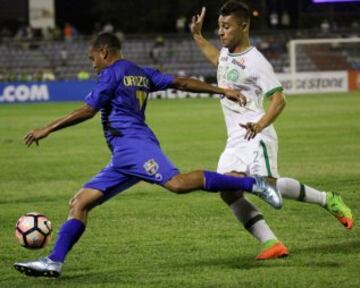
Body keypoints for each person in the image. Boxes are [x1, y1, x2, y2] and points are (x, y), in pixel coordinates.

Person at [14, 32, 282, 278]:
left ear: (104, 52)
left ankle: (252, 184)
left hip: (134, 146)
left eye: (92, 58)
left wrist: (46, 129)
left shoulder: (110, 73)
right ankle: (54, 261)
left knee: (177, 184)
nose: (92, 64)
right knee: (80, 203)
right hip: (122, 155)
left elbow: (88, 110)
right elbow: (180, 82)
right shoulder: (138, 72)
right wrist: (221, 90)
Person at [190, 1, 353, 260]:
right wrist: (198, 36)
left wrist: (260, 125)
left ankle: (327, 199)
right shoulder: (226, 54)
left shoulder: (256, 62)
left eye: (226, 27)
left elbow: (279, 100)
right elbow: (216, 60)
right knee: (228, 191)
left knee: (268, 186)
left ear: (243, 26)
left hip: (256, 133)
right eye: (219, 27)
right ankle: (271, 243)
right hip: (235, 139)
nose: (220, 32)